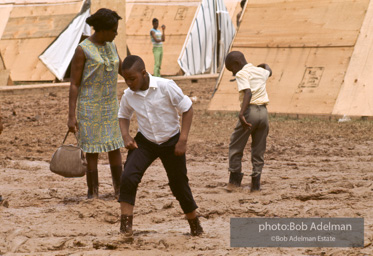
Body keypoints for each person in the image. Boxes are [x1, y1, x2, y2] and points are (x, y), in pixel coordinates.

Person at [117, 55, 203, 237]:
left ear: (143, 73)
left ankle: (195, 225)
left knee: (179, 184)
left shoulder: (166, 86)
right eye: (125, 79)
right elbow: (123, 115)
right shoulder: (128, 95)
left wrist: (183, 140)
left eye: (132, 79)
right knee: (128, 176)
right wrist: (126, 135)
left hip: (172, 141)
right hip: (145, 142)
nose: (129, 83)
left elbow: (187, 109)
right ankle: (125, 228)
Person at [68, 8, 125, 199]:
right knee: (92, 150)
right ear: (102, 30)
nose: (116, 33)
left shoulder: (112, 46)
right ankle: (93, 193)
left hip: (110, 106)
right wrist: (71, 116)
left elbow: (123, 70)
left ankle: (119, 190)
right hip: (89, 108)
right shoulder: (82, 49)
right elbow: (74, 84)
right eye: (114, 30)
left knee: (114, 146)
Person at [225, 51, 272, 192]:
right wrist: (264, 65)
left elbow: (248, 92)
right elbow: (269, 70)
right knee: (259, 148)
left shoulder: (241, 74)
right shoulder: (260, 71)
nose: (233, 73)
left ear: (237, 64)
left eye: (232, 69)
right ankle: (256, 183)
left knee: (236, 145)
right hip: (263, 113)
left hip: (249, 112)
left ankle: (234, 181)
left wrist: (241, 113)